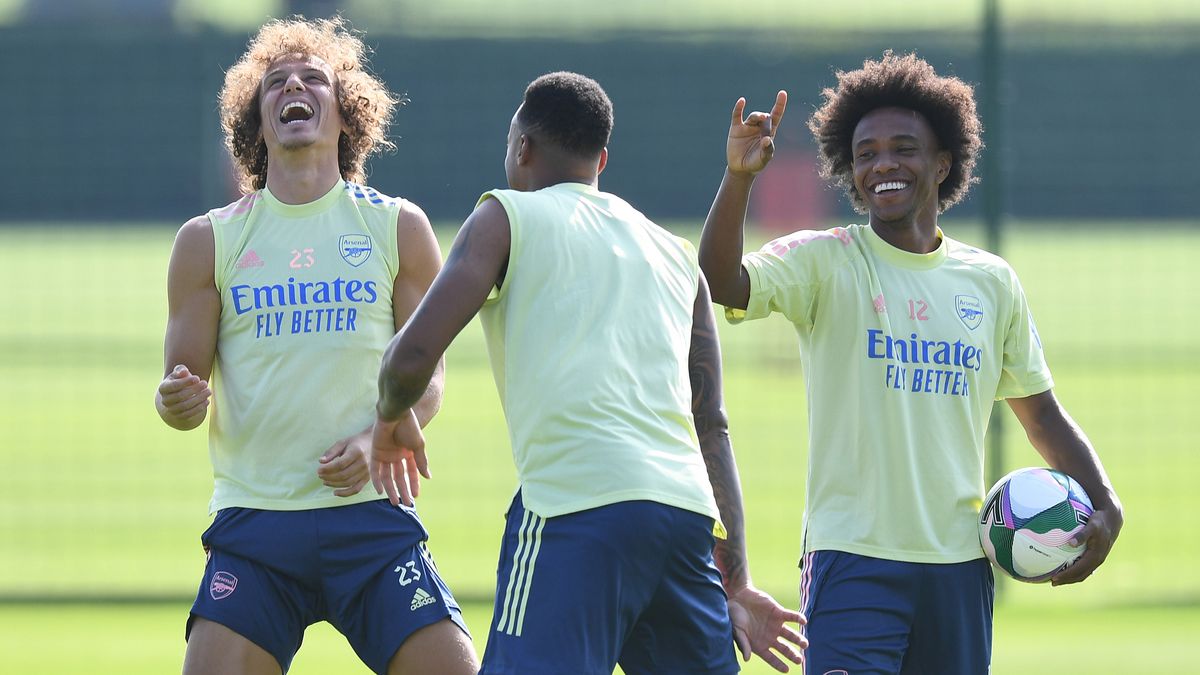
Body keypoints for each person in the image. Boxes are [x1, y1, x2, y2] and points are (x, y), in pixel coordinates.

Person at [698, 52, 1123, 674]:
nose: (883, 165)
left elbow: (1041, 416)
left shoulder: (991, 282)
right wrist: (739, 178)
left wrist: (1107, 507)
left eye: (903, 148)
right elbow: (720, 280)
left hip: (959, 566)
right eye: (866, 154)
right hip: (853, 562)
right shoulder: (826, 262)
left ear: (943, 162)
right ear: (850, 169)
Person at [368, 71, 806, 674]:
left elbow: (412, 357)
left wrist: (390, 416)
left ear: (522, 148)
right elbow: (712, 423)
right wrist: (735, 580)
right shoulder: (677, 255)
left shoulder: (506, 215)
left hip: (573, 511)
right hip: (682, 524)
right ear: (601, 157)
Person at [154, 16, 477, 675]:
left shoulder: (397, 226)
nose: (292, 89)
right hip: (256, 524)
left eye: (312, 79)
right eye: (275, 83)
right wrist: (178, 401)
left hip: (369, 517)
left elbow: (432, 371)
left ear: (344, 113)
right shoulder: (208, 240)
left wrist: (382, 432)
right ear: (258, 119)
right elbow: (178, 394)